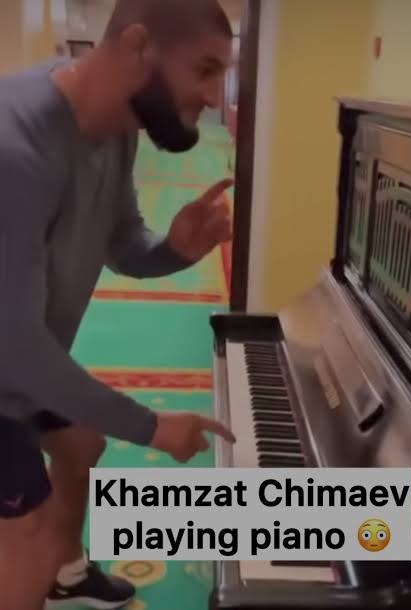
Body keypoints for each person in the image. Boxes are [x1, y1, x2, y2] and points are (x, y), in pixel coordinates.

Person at [0, 1, 237, 609]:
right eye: (205, 70)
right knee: (26, 536)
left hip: (17, 360)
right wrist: (153, 427)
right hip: (8, 361)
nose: (216, 97)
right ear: (137, 46)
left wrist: (175, 250)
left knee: (82, 444)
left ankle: (67, 574)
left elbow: (124, 242)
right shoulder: (16, 148)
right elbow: (17, 350)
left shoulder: (116, 126)